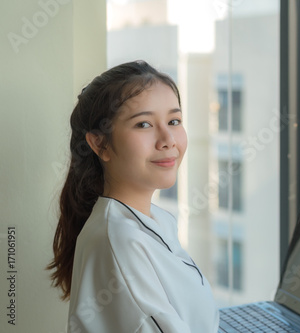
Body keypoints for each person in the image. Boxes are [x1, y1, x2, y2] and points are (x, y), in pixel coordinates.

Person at [47, 60, 220, 332]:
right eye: (143, 124)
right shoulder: (121, 240)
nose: (168, 139)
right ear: (100, 143)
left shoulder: (157, 221)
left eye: (174, 121)